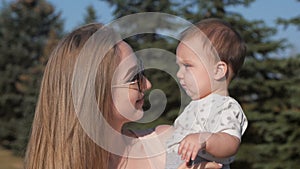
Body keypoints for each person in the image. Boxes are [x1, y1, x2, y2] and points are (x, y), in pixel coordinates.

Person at [24, 23, 222, 169]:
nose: (147, 84)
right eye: (134, 77)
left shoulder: (169, 145)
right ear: (95, 93)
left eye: (142, 72)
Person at [165, 18, 248, 169]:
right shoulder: (195, 105)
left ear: (218, 70)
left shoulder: (224, 105)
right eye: (179, 66)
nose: (179, 74)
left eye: (187, 65)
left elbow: (230, 142)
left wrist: (205, 140)